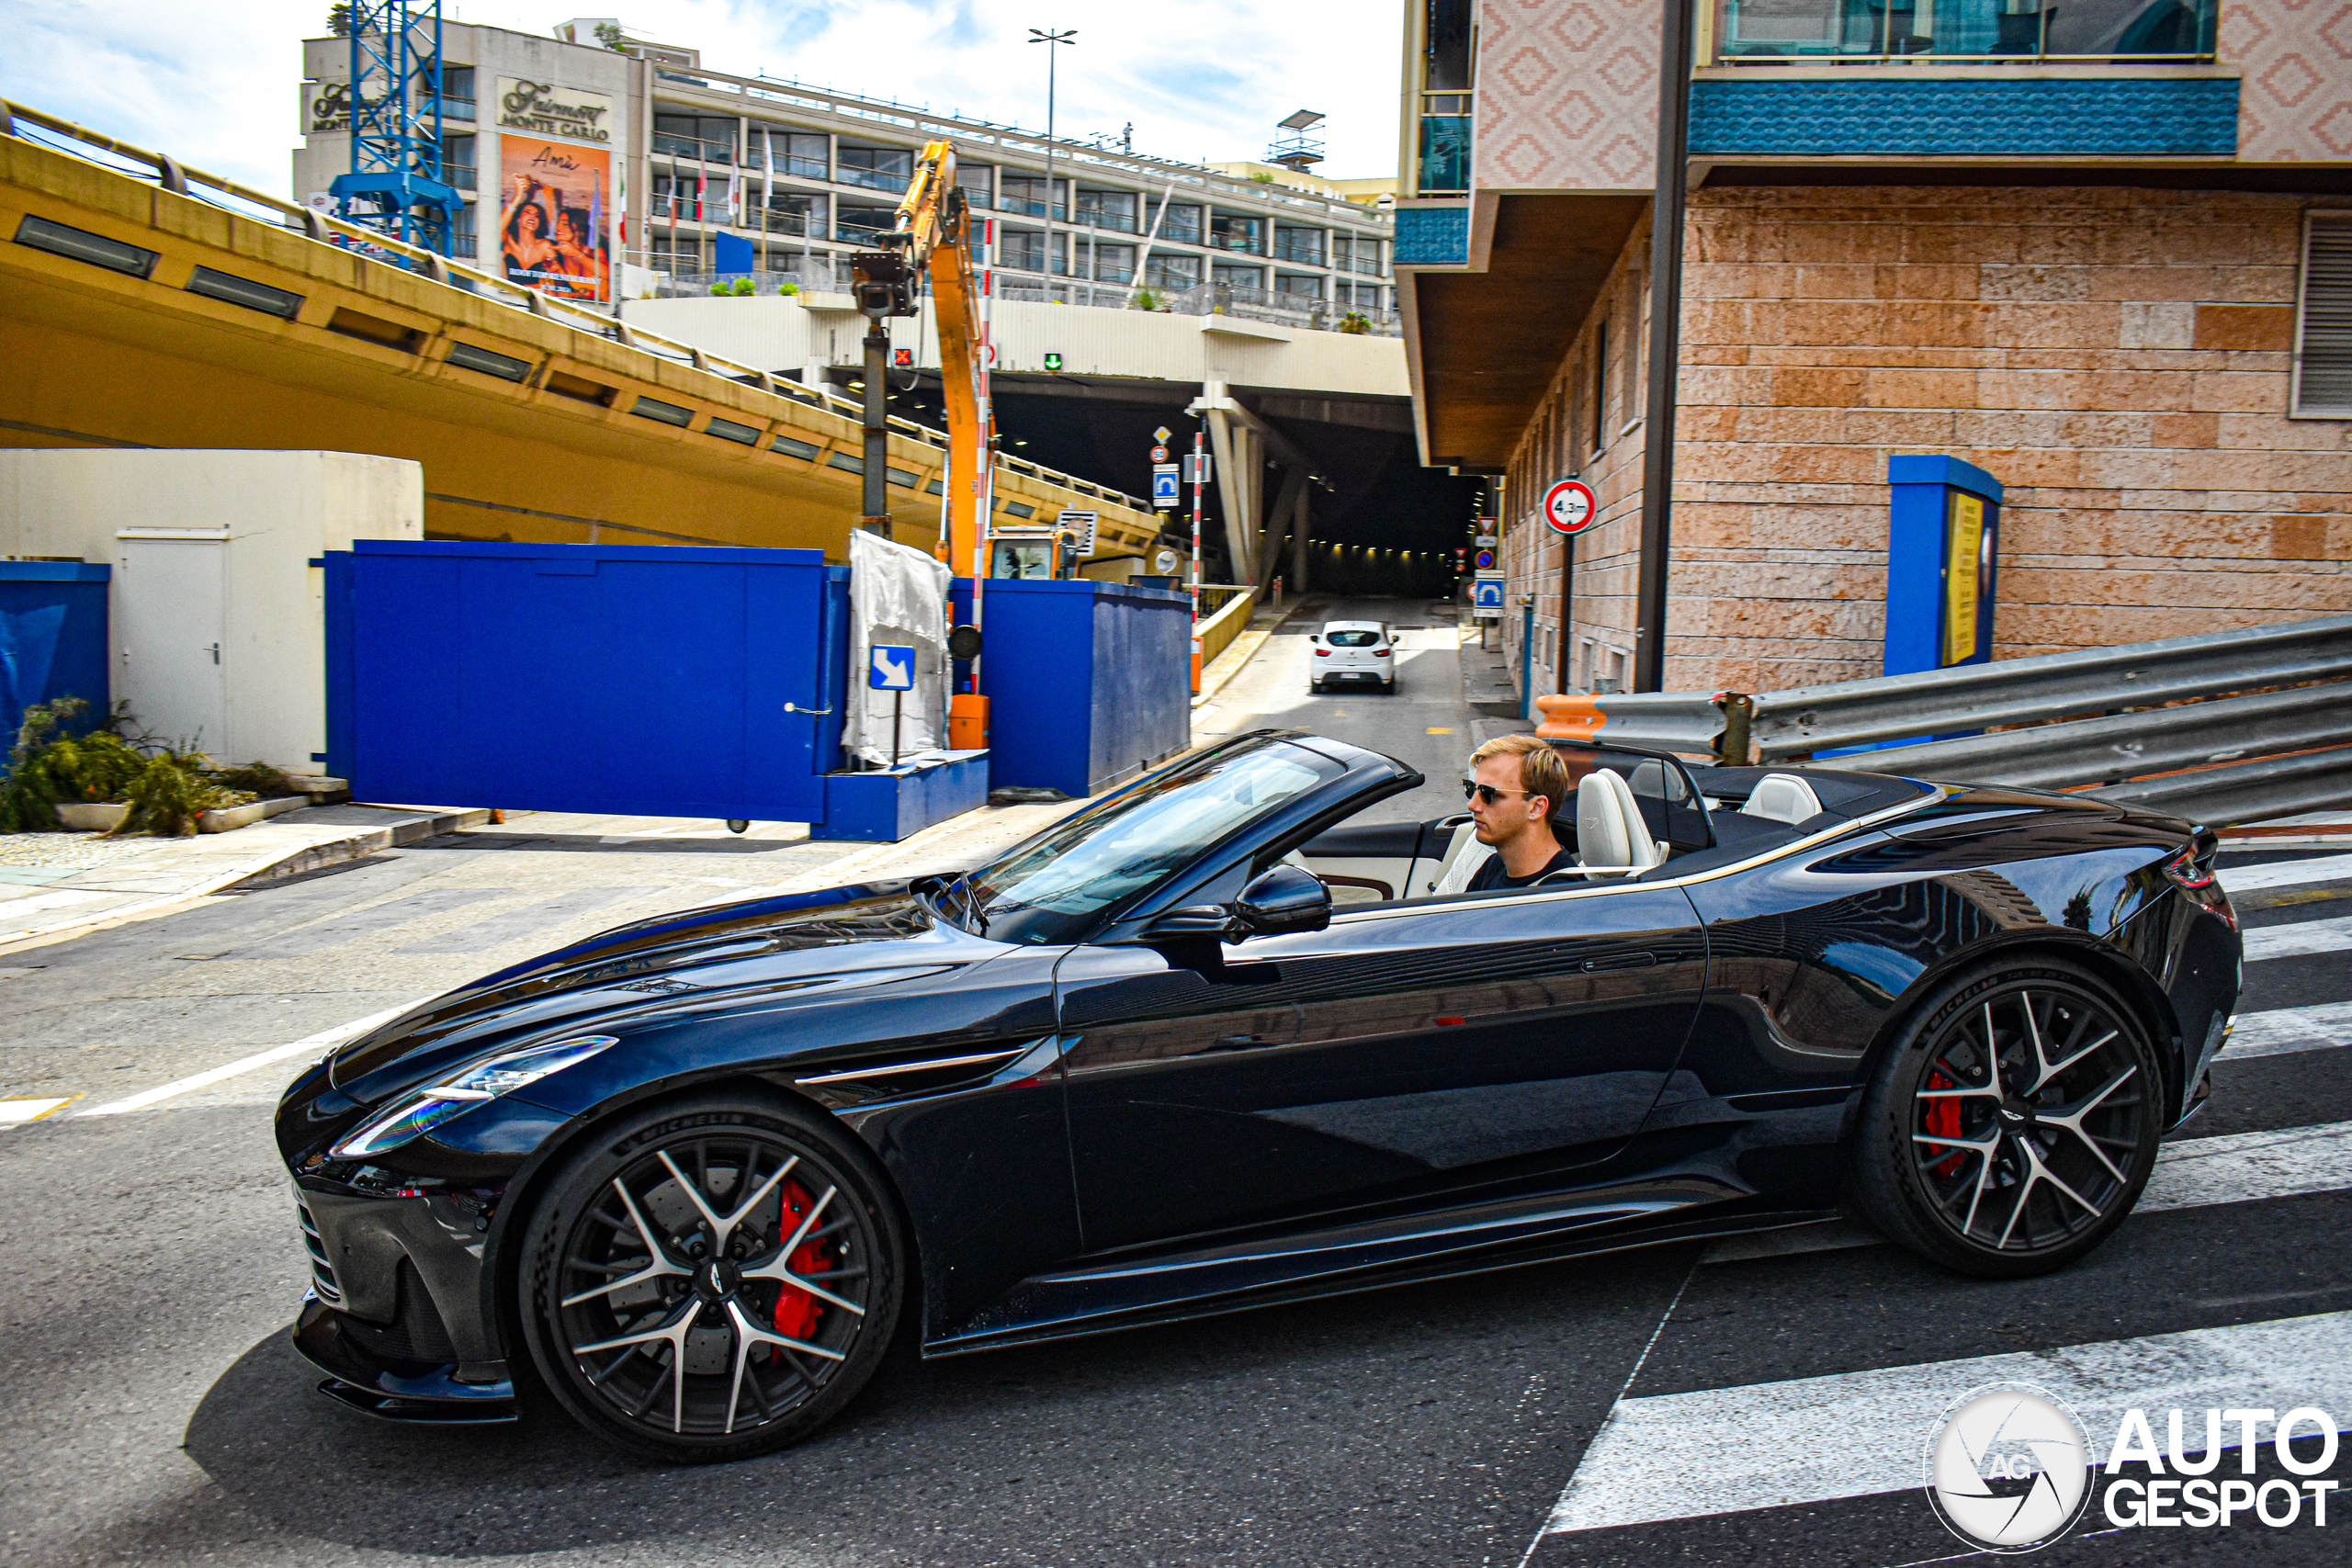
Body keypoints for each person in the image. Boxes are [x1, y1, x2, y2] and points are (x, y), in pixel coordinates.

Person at [1454, 733, 1577, 892]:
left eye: (1488, 793)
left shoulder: (1558, 895)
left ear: (1536, 808)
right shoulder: (1495, 865)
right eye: (1472, 789)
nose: (1472, 805)